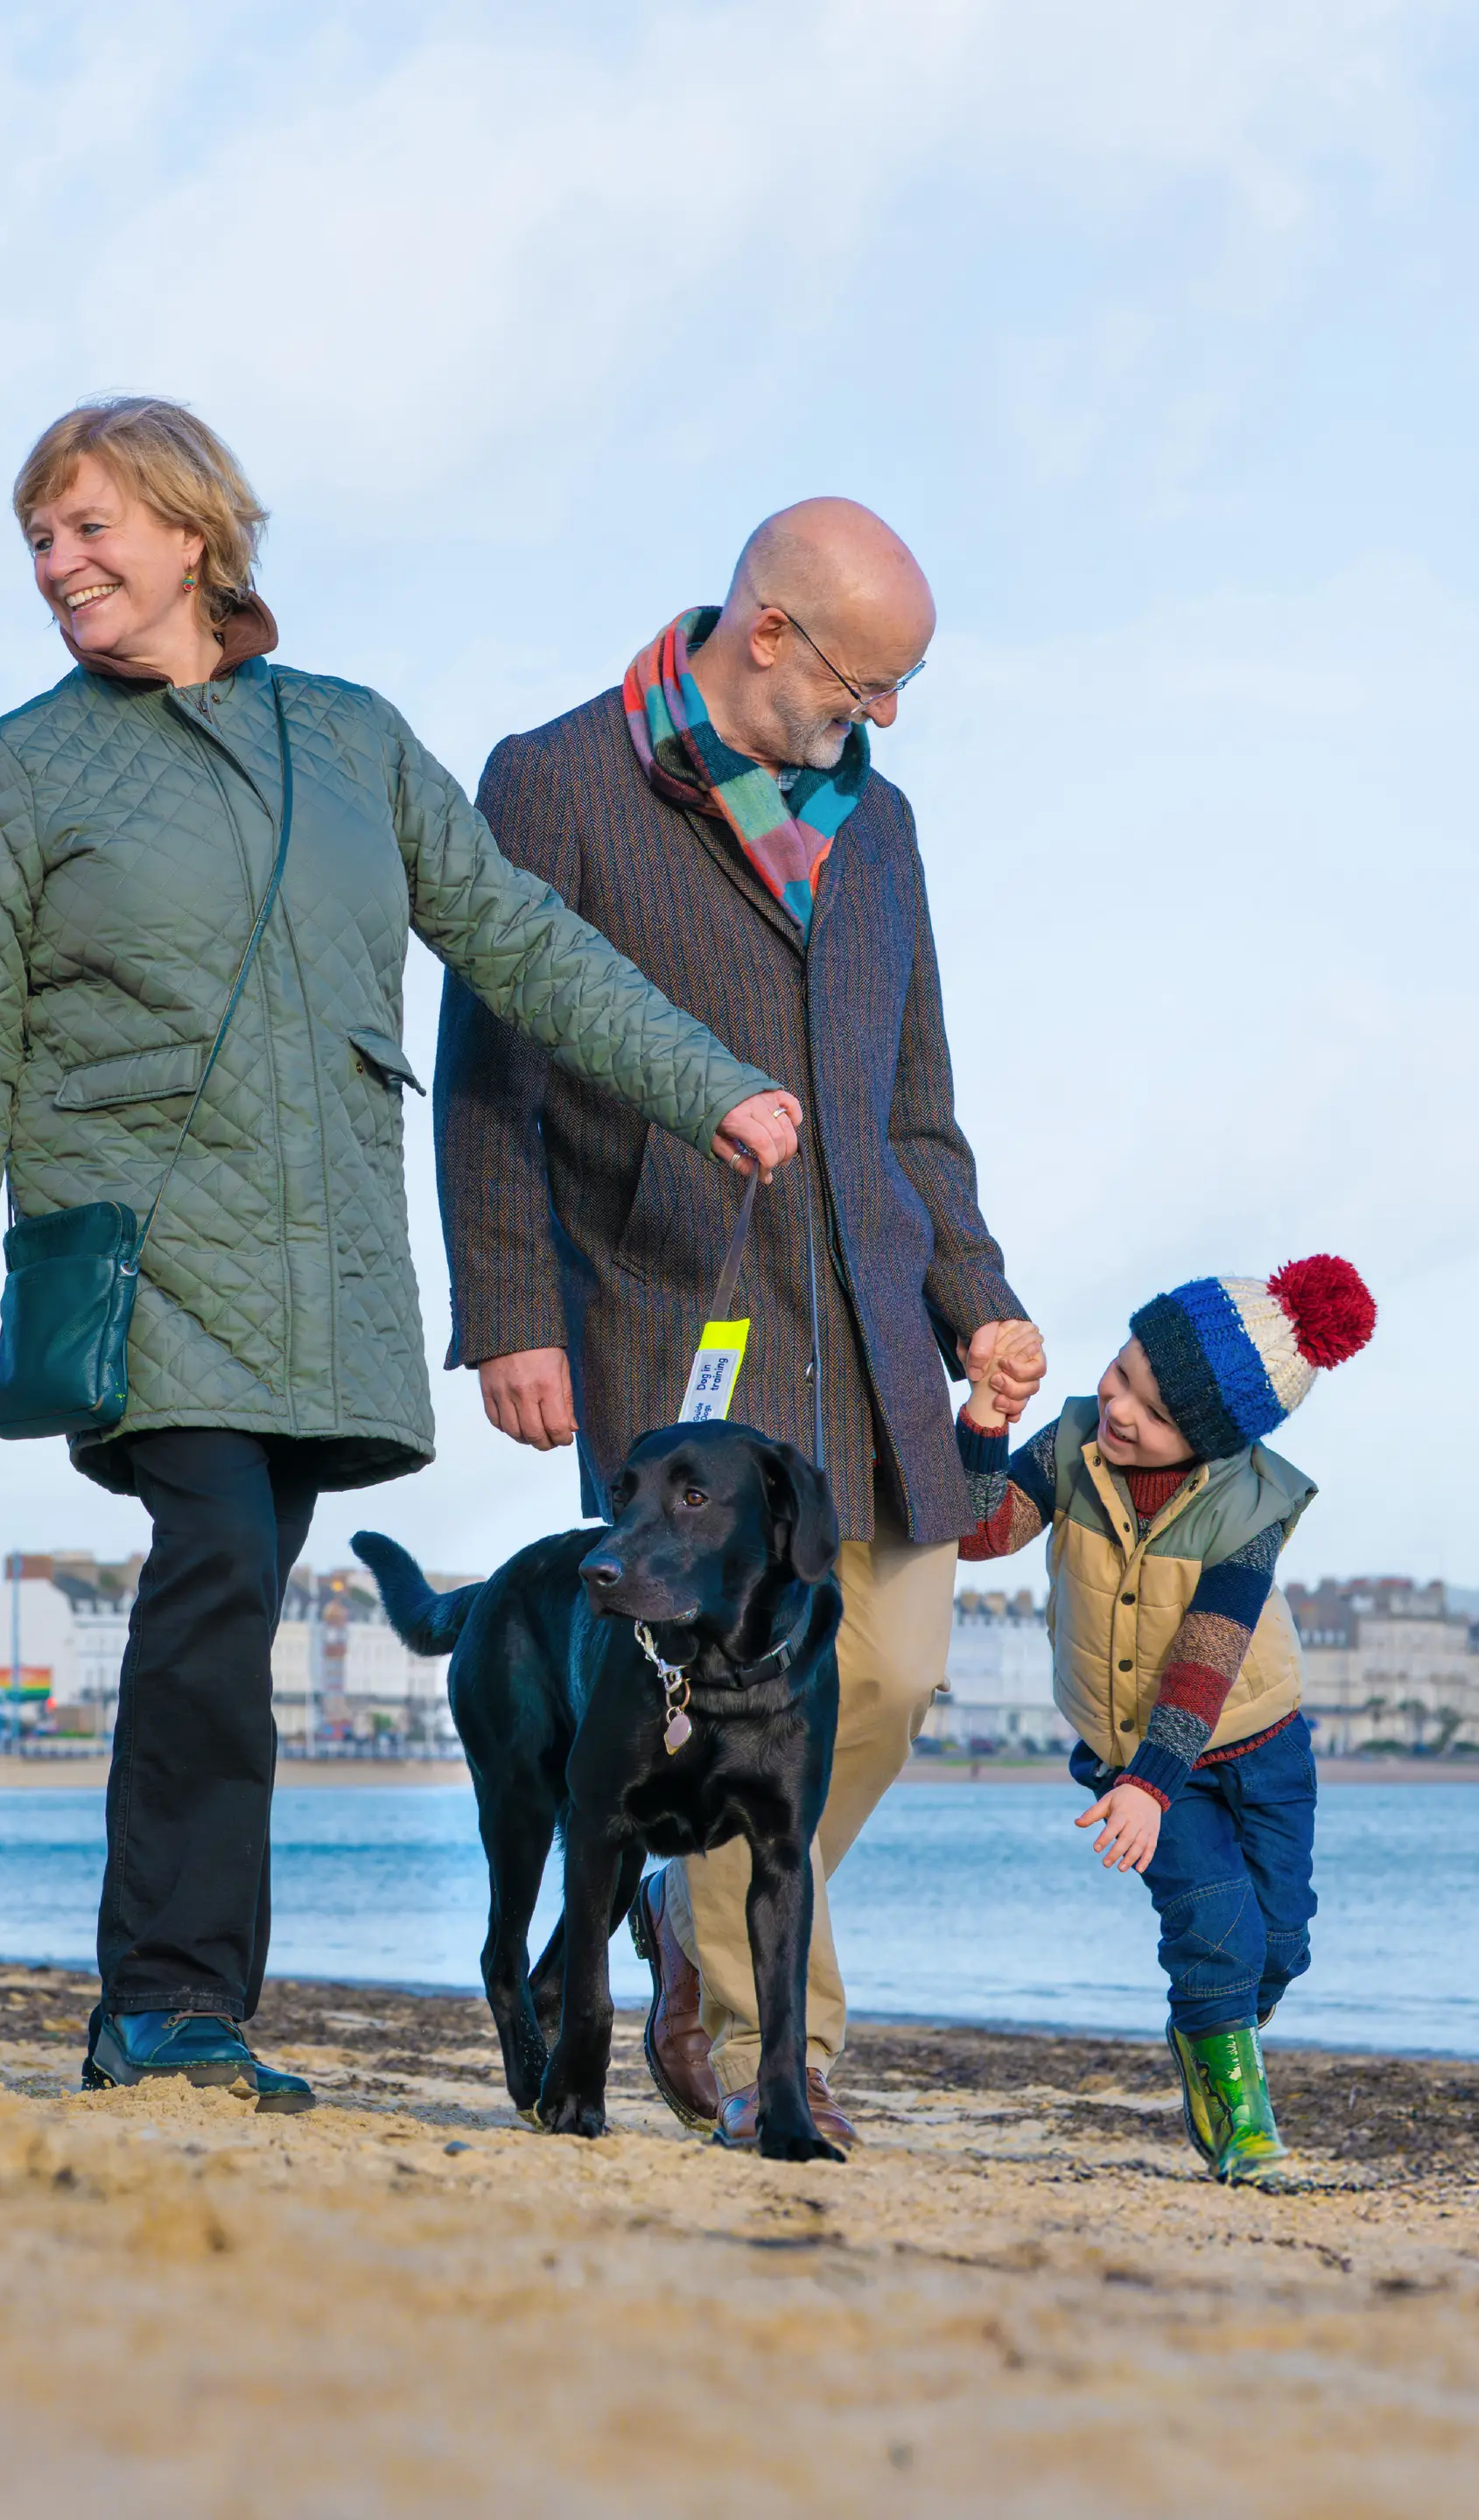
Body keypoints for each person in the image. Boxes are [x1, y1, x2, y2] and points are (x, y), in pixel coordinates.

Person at [0, 397, 805, 2112]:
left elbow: (520, 942)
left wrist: (711, 1087)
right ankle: (165, 1998)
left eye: (90, 527)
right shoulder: (24, 765)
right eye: (40, 537)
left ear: (192, 534)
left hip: (328, 1282)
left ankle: (187, 2007)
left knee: (233, 1601)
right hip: (145, 1251)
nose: (59, 564)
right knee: (215, 1578)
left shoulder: (355, 740)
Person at [434, 498, 1044, 2151]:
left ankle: (681, 1916)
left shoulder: (885, 823)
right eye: (870, 677)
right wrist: (508, 1314)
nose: (888, 717)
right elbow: (490, 1073)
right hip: (672, 1310)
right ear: (767, 629)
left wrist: (976, 1304)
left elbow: (917, 1102)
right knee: (708, 1688)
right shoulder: (555, 778)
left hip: (872, 1337)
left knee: (894, 1677)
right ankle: (777, 2038)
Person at [950, 1254, 1377, 2184]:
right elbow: (981, 1534)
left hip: (1257, 1742)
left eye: (1157, 1410)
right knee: (1214, 1927)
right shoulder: (1069, 1447)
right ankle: (1242, 2123)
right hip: (1134, 1752)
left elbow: (1209, 1654)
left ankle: (1207, 2030)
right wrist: (985, 1422)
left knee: (1280, 1944)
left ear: (1215, 1442)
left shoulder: (1250, 1503)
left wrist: (1156, 1780)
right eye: (1124, 1370)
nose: (1123, 1408)